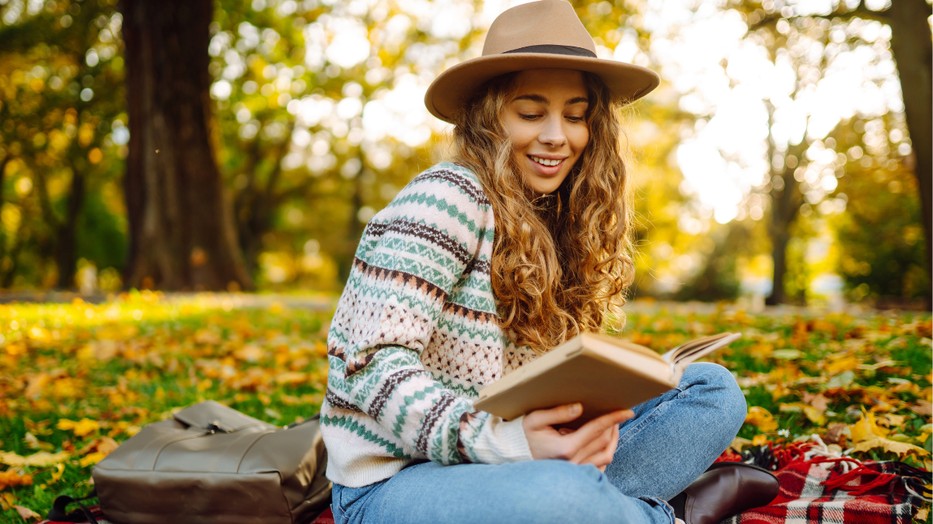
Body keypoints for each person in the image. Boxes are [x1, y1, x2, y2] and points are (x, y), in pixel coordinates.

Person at [319, 1, 778, 523]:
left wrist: (590, 408)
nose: (557, 135)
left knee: (710, 390)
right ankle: (662, 514)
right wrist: (505, 441)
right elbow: (370, 364)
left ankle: (611, 508)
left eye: (576, 115)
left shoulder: (560, 218)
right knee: (561, 497)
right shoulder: (444, 197)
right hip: (398, 482)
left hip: (519, 462)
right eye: (531, 113)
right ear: (488, 117)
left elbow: (533, 390)